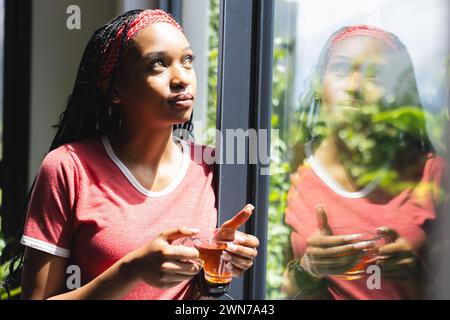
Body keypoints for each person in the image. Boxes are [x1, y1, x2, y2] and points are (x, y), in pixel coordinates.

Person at [12, 9, 259, 300]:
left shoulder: (213, 168)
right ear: (114, 87)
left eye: (187, 60)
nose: (181, 78)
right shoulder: (69, 168)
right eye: (158, 64)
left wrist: (216, 268)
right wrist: (131, 270)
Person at [282, 25, 445, 299]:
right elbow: (273, 284)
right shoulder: (293, 174)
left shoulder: (431, 174)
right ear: (320, 85)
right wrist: (308, 269)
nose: (354, 87)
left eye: (376, 76)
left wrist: (418, 273)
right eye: (342, 70)